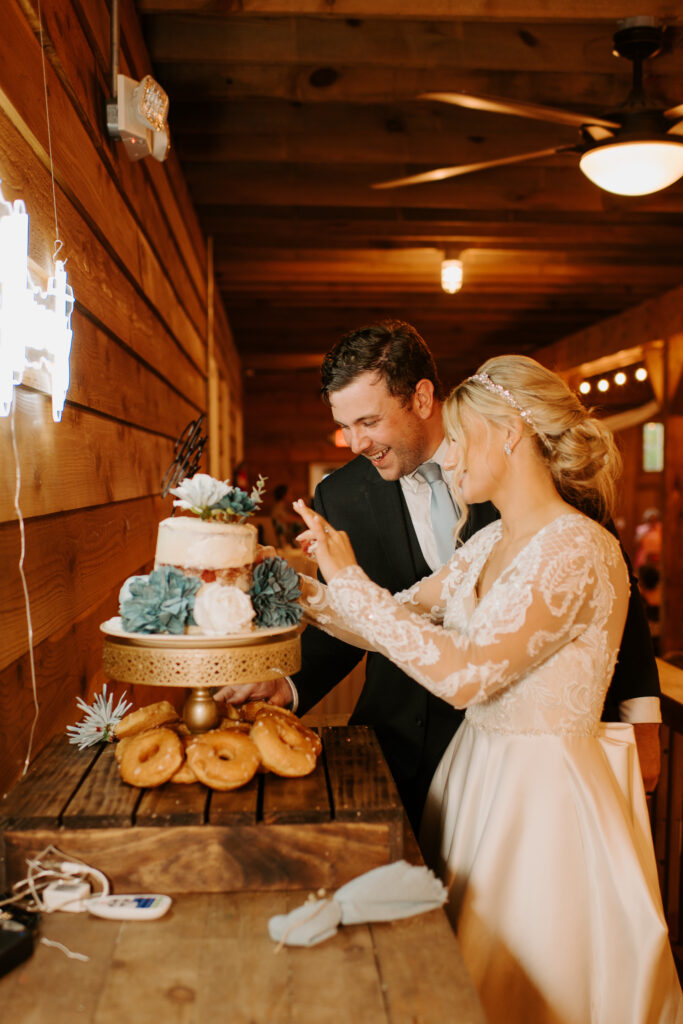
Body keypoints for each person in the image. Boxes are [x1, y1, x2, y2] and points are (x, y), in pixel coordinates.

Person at [293, 355, 683, 1024]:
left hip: (543, 804)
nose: (445, 459)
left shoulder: (576, 550)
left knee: (533, 983)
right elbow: (392, 624)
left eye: (459, 438)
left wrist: (350, 579)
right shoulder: (491, 540)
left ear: (507, 432)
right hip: (476, 781)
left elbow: (463, 674)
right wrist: (289, 586)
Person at [216, 321, 661, 830]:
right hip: (423, 747)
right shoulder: (370, 504)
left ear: (423, 399)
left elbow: (611, 593)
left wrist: (642, 720)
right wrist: (287, 581)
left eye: (369, 421)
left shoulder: (560, 515)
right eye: (346, 424)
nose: (355, 441)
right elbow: (391, 612)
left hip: (543, 780)